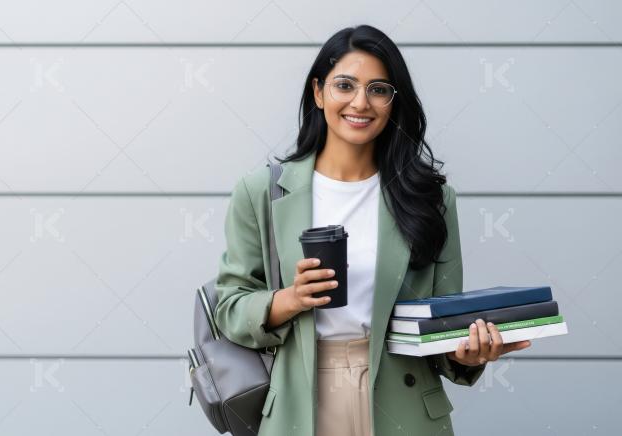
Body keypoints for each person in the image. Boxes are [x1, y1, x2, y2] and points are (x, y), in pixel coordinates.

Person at [214, 24, 531, 436]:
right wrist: (290, 299)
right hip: (300, 402)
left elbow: (444, 321)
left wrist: (467, 354)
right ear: (318, 92)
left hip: (403, 401)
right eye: (344, 85)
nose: (360, 102)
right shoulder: (262, 192)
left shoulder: (430, 198)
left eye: (378, 89)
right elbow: (229, 307)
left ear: (393, 102)